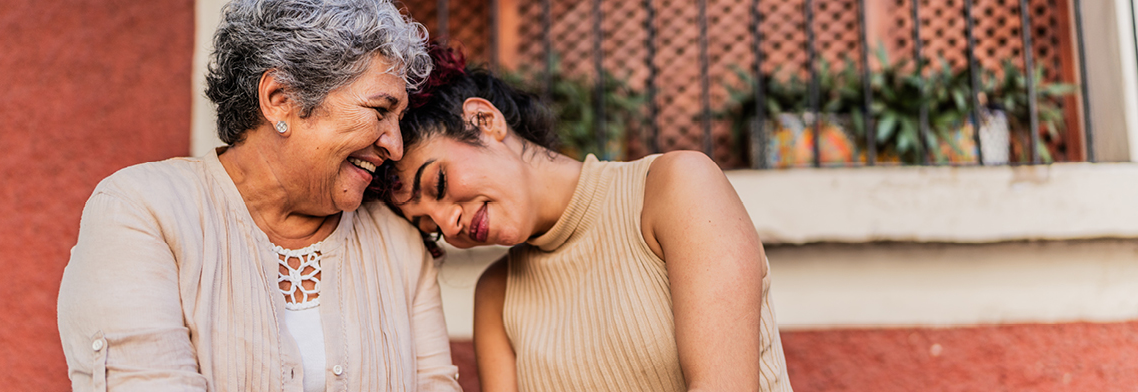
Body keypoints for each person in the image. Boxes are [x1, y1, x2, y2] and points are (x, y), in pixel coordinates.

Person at [57, 1, 462, 391]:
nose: (395, 146)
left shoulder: (397, 246)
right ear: (279, 100)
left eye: (399, 119)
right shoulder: (143, 211)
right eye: (379, 111)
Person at [385, 44, 792, 392]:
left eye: (438, 184)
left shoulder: (675, 188)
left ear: (483, 120)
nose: (448, 223)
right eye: (431, 228)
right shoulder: (496, 295)